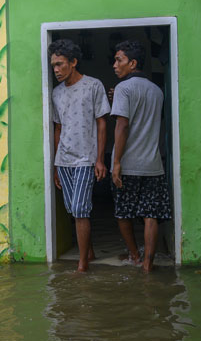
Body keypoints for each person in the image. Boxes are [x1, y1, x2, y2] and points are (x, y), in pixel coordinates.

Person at [109, 40, 171, 273]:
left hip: (128, 165)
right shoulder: (156, 90)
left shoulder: (124, 89)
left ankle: (135, 256)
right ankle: (148, 265)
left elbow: (122, 126)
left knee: (123, 212)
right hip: (152, 164)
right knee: (150, 215)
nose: (114, 65)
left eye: (119, 60)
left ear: (132, 63)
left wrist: (116, 162)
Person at [49, 38, 110, 272]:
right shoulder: (56, 93)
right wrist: (56, 165)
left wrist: (100, 159)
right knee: (74, 210)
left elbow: (102, 124)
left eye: (60, 64)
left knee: (80, 209)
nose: (56, 69)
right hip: (64, 160)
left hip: (86, 158)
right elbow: (58, 128)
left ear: (73, 62)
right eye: (53, 65)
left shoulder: (93, 86)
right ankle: (90, 251)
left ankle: (82, 265)